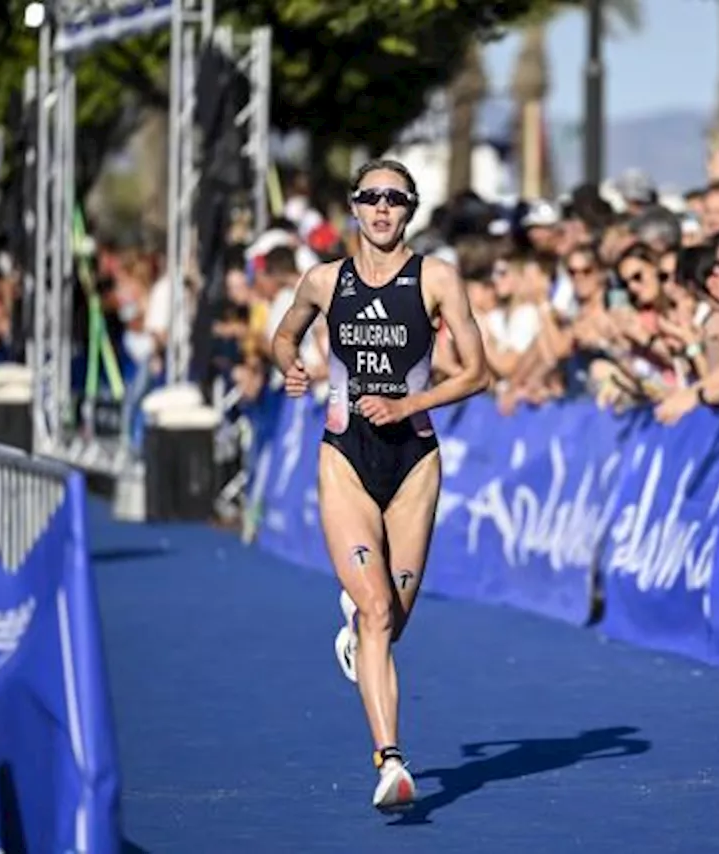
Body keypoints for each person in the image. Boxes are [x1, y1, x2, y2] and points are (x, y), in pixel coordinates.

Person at [271, 159, 489, 811]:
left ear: (411, 209)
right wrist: (293, 367)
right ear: (354, 207)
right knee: (374, 610)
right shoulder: (323, 280)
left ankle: (360, 636)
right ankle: (390, 759)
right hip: (345, 455)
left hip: (414, 459)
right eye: (372, 198)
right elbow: (284, 335)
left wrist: (406, 402)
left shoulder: (437, 280)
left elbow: (478, 373)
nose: (383, 209)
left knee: (392, 620)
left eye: (396, 199)